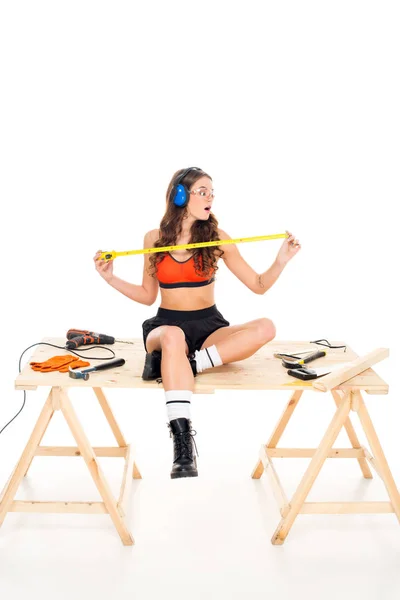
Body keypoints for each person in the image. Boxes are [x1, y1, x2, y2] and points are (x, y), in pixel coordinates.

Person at [94, 167, 301, 480]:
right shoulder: (154, 239)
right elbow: (147, 296)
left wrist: (281, 260)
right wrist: (110, 279)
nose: (210, 198)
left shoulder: (218, 238)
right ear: (180, 195)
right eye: (202, 191)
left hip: (209, 326)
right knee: (174, 336)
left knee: (266, 327)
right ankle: (182, 445)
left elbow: (258, 285)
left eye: (212, 192)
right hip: (166, 327)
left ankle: (189, 364)